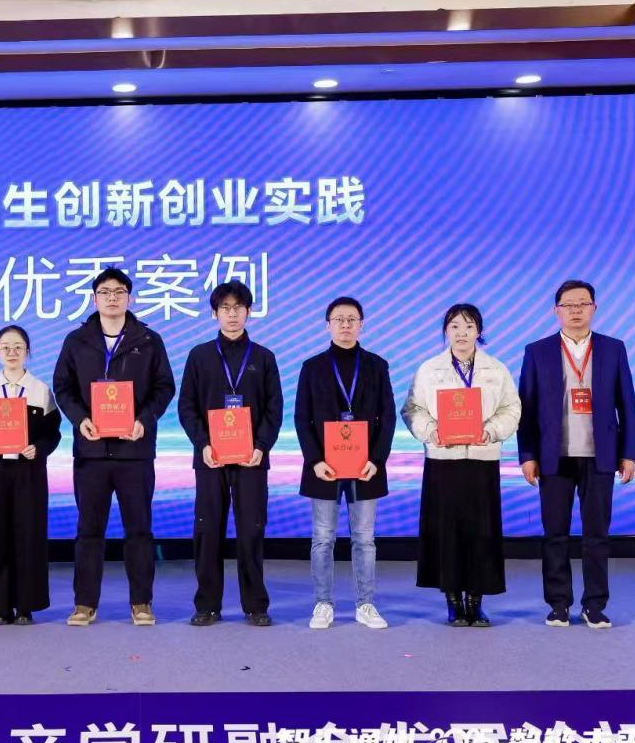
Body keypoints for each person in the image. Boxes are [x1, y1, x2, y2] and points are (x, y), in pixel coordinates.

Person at [52, 267, 176, 626]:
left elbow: (164, 387)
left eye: (119, 291)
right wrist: (80, 419)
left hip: (134, 452)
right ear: (94, 299)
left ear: (129, 298)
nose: (112, 298)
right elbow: (62, 387)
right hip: (91, 452)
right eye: (105, 292)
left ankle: (142, 603)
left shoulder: (148, 340)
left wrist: (144, 420)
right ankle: (84, 604)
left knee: (139, 530)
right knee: (89, 531)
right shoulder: (77, 340)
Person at [517, 280, 635, 629]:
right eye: (568, 305)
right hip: (553, 456)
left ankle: (594, 605)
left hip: (600, 456)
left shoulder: (613, 348)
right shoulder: (537, 351)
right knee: (554, 534)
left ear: (594, 309)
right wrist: (527, 454)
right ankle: (558, 604)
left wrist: (629, 453)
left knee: (596, 535)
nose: (575, 310)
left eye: (582, 304)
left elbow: (627, 404)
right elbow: (526, 407)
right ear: (556, 311)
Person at [401, 304, 521, 627]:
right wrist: (431, 431)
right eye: (455, 326)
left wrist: (491, 430)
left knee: (481, 532)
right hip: (444, 461)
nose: (462, 333)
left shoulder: (496, 369)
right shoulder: (429, 369)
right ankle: (453, 601)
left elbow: (512, 408)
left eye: (469, 326)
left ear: (479, 331)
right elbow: (412, 409)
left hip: (482, 460)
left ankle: (476, 603)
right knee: (448, 532)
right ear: (446, 331)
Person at [177, 282, 283, 627]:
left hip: (252, 459)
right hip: (211, 458)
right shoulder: (200, 356)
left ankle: (256, 605)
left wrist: (261, 446)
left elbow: (274, 409)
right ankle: (207, 604)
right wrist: (203, 444)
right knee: (207, 531)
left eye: (238, 307)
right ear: (215, 313)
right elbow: (186, 406)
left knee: (251, 530)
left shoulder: (263, 357)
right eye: (225, 308)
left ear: (248, 312)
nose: (232, 314)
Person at [294, 296, 396, 630]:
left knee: (364, 539)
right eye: (339, 319)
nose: (345, 325)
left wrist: (376, 459)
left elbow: (388, 417)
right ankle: (323, 603)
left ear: (361, 324)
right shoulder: (312, 367)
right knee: (323, 538)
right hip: (324, 467)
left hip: (366, 466)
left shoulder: (377, 366)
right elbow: (302, 418)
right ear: (328, 325)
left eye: (351, 319)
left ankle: (366, 604)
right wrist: (314, 460)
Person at [0, 325, 62, 625]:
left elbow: (53, 434)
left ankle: (25, 605)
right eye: (5, 347)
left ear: (27, 352)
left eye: (18, 347)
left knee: (29, 535)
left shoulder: (40, 390)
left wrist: (39, 449)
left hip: (28, 471)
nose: (12, 352)